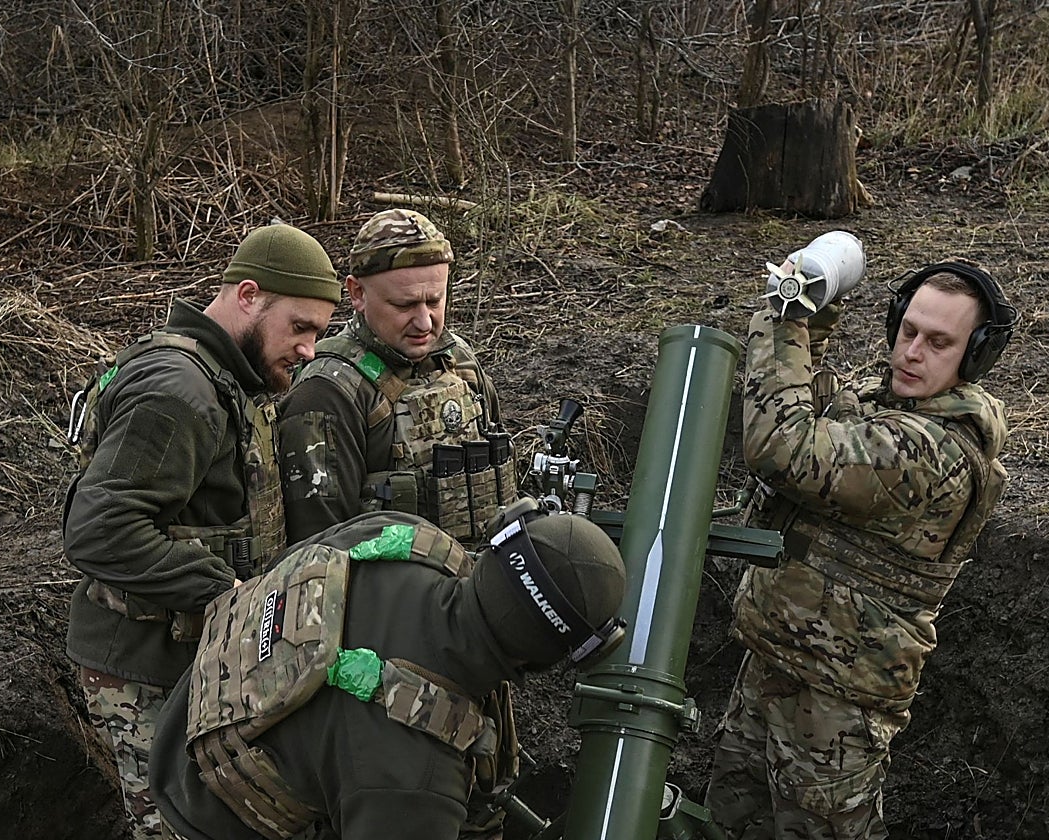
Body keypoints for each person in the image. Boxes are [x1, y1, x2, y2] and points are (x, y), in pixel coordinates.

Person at [706, 253, 1017, 838]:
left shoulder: (933, 453)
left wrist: (782, 320)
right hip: (773, 664)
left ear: (975, 356)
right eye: (908, 331)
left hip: (836, 707)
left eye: (939, 343)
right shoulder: (882, 406)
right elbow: (798, 396)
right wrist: (810, 315)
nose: (912, 353)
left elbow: (784, 447)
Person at [62, 223, 341, 840]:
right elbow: (101, 531)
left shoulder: (224, 375)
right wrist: (231, 597)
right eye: (299, 327)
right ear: (248, 296)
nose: (309, 351)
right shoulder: (180, 391)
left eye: (319, 334)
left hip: (194, 659)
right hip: (146, 669)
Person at [148, 501, 627, 840]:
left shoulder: (404, 537)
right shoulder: (416, 780)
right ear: (547, 660)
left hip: (189, 711)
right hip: (206, 817)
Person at [278, 208, 518, 548]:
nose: (425, 323)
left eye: (434, 300)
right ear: (357, 294)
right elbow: (319, 553)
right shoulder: (326, 394)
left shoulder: (456, 358)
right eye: (405, 305)